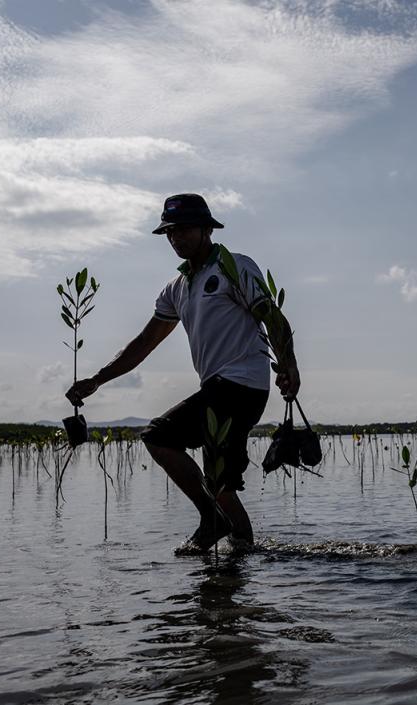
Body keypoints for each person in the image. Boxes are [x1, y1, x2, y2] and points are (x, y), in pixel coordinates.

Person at [66, 193, 300, 555]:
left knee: (158, 434)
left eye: (184, 229)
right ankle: (239, 570)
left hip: (241, 385)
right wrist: (98, 379)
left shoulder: (234, 267)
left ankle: (212, 521)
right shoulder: (176, 288)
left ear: (207, 228)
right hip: (219, 389)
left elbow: (273, 317)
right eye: (170, 232)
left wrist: (289, 365)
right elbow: (145, 342)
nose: (176, 238)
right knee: (220, 482)